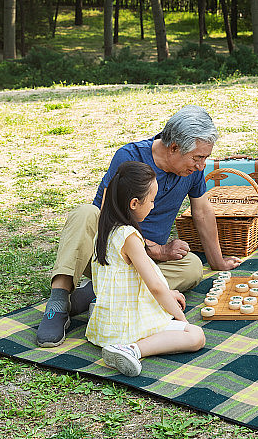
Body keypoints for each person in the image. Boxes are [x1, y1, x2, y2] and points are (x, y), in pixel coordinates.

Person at [37, 105, 241, 348]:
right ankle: (59, 301)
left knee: (193, 267)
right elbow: (106, 217)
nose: (201, 166)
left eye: (204, 157)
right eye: (198, 157)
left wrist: (217, 262)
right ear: (174, 147)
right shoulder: (129, 156)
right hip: (110, 254)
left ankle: (98, 292)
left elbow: (203, 212)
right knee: (84, 214)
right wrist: (155, 251)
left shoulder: (193, 171)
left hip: (146, 264)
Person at [86, 160, 205, 376]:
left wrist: (169, 293)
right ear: (133, 203)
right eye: (151, 200)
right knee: (195, 335)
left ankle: (124, 346)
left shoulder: (106, 229)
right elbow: (155, 286)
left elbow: (127, 279)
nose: (153, 205)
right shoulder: (129, 236)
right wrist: (181, 319)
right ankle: (131, 349)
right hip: (126, 327)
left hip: (107, 326)